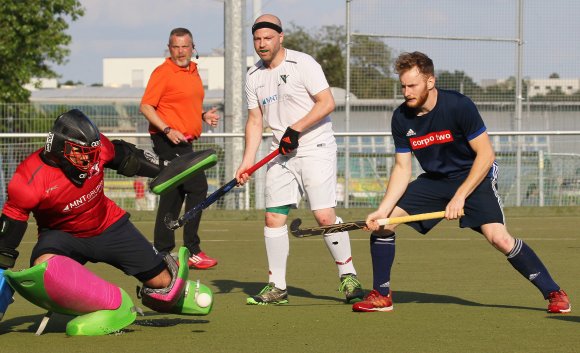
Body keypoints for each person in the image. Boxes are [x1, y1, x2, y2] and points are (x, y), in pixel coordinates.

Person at [353, 52, 571, 314]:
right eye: (403, 86)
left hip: (473, 175)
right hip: (434, 180)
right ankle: (381, 295)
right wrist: (383, 209)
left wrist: (460, 196)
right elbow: (402, 167)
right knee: (385, 226)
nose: (407, 92)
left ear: (430, 82)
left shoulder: (458, 106)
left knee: (498, 238)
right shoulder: (401, 117)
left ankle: (554, 293)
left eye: (413, 86)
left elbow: (486, 154)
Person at [0, 109, 212, 335]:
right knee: (45, 269)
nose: (91, 159)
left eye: (93, 151)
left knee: (162, 283)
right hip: (62, 235)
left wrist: (167, 168)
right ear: (60, 149)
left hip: (109, 225)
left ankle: (173, 290)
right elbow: (5, 245)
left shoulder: (98, 147)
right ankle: (113, 305)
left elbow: (129, 160)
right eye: (82, 153)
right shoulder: (28, 180)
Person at [235, 14, 364, 305]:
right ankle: (277, 287)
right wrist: (246, 161)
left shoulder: (303, 63)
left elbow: (327, 102)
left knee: (323, 217)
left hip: (314, 146)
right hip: (281, 153)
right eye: (257, 39)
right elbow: (255, 121)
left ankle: (348, 276)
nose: (261, 44)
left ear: (281, 37)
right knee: (273, 217)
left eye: (268, 38)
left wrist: (296, 128)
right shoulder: (253, 75)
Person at [140, 27, 219, 269]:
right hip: (168, 141)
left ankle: (161, 251)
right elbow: (146, 106)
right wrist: (167, 129)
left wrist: (203, 115)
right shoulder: (163, 72)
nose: (181, 51)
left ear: (193, 48)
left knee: (173, 195)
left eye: (185, 46)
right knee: (198, 187)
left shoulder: (193, 71)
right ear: (169, 48)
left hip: (186, 142)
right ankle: (192, 249)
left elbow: (182, 104)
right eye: (176, 46)